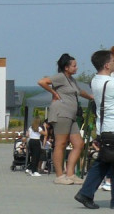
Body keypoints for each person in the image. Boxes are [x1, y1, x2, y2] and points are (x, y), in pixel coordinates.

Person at [38, 53, 94, 185]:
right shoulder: (60, 77)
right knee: (61, 143)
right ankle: (59, 175)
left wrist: (91, 97)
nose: (77, 68)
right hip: (61, 113)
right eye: (74, 66)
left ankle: (70, 173)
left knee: (78, 144)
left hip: (72, 115)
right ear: (66, 67)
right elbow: (42, 82)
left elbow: (80, 92)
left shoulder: (71, 80)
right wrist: (54, 93)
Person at [73, 49, 114, 209]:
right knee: (104, 162)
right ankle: (85, 193)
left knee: (105, 162)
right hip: (112, 128)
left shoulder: (96, 80)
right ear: (106, 65)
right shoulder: (110, 84)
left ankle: (86, 193)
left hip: (104, 129)